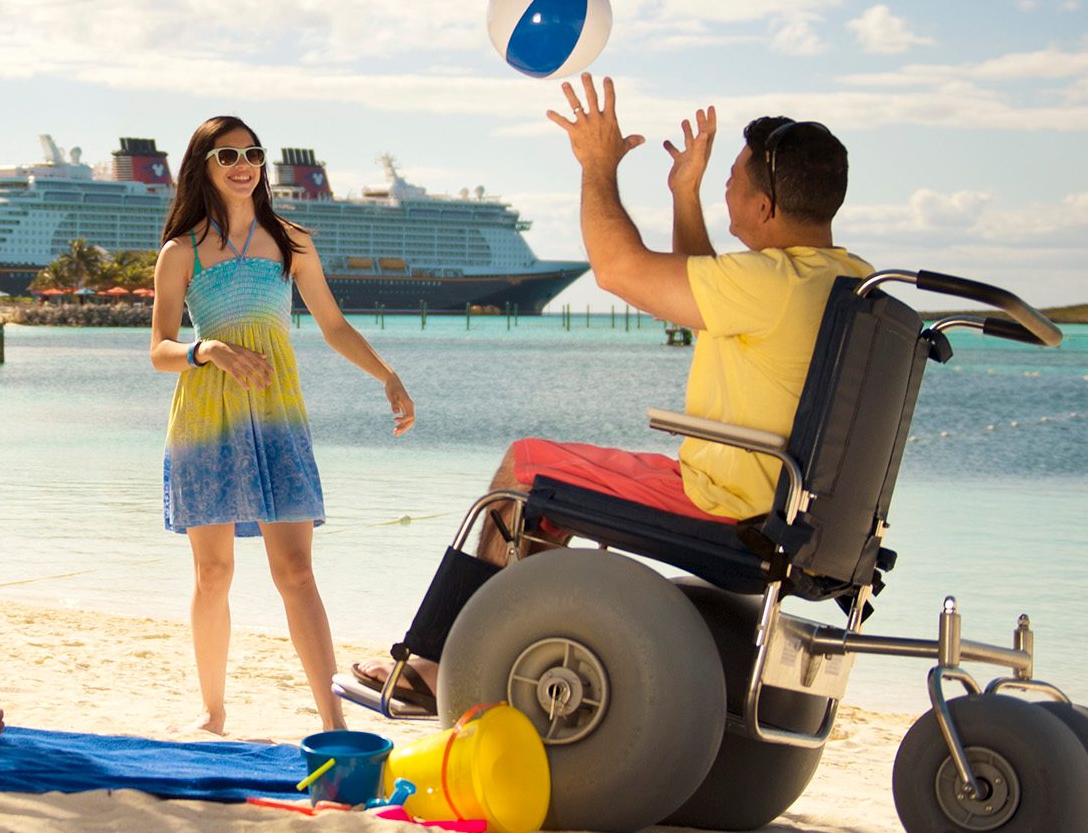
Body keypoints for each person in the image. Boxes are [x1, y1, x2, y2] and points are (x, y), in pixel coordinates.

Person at [356, 78, 870, 710]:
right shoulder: (842, 280)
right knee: (547, 492)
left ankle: (436, 668)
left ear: (765, 209)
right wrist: (685, 194)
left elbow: (616, 270)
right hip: (794, 517)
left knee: (524, 467)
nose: (726, 187)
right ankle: (504, 654)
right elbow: (704, 297)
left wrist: (598, 166)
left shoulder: (771, 283)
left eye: (733, 178)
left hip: (731, 510)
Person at [153, 116, 415, 736]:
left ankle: (333, 723)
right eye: (227, 156)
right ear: (204, 167)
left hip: (276, 417)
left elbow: (333, 325)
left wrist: (388, 375)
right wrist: (207, 350)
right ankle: (214, 713)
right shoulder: (181, 251)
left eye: (252, 153)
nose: (242, 164)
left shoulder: (290, 240)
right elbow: (159, 348)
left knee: (295, 570)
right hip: (205, 419)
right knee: (212, 573)